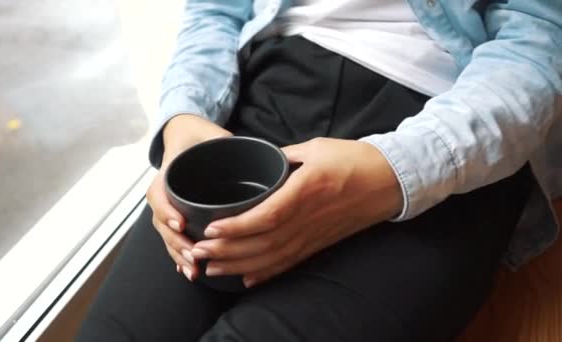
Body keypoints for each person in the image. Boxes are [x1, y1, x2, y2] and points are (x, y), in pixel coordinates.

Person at [77, 1, 562, 341]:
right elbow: (215, 9)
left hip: (455, 122)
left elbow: (541, 41)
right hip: (264, 87)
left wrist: (391, 173)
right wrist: (185, 121)